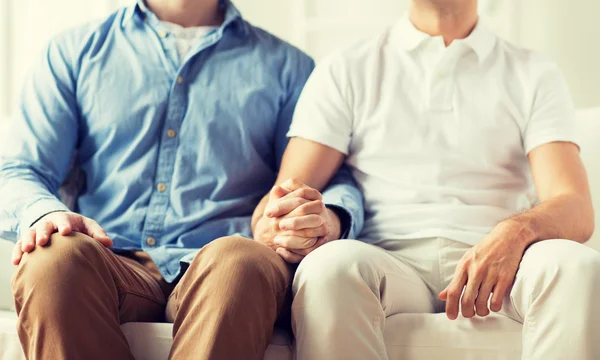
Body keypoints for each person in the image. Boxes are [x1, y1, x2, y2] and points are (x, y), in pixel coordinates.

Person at [0, 0, 363, 359]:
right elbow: (18, 168)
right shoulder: (73, 52)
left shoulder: (291, 68)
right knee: (52, 257)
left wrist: (324, 219)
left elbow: (331, 178)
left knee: (238, 260)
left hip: (224, 263)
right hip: (110, 261)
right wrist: (43, 213)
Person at [252, 0, 600, 359]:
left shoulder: (534, 72)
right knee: (327, 268)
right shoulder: (346, 68)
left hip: (504, 265)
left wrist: (515, 233)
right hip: (389, 260)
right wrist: (279, 224)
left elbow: (574, 206)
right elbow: (278, 201)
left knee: (577, 267)